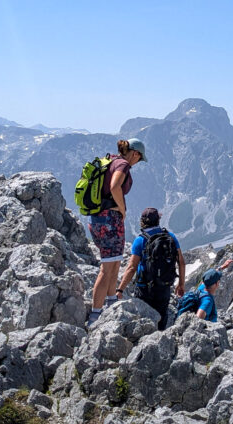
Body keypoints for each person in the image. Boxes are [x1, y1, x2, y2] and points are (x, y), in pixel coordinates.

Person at [87, 138, 147, 328]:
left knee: (113, 263)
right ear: (135, 153)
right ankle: (95, 315)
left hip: (97, 218)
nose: (138, 163)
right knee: (107, 268)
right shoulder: (122, 164)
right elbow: (114, 186)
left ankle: (111, 301)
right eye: (139, 158)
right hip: (109, 220)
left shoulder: (110, 160)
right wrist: (122, 210)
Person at [116, 207, 185, 330]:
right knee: (161, 320)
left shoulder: (140, 240)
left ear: (142, 221)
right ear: (158, 220)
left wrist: (120, 290)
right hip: (164, 286)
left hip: (144, 288)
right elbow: (181, 262)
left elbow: (132, 268)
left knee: (144, 322)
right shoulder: (170, 236)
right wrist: (181, 284)